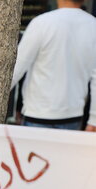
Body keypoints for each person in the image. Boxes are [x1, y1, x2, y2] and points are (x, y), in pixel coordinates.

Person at [11, 0, 96, 131]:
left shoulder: (42, 23)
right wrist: (93, 121)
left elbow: (16, 69)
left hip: (37, 114)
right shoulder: (93, 26)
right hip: (73, 116)